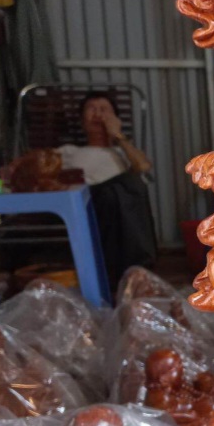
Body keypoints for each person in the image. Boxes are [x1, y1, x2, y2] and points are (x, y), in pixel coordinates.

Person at [59, 90, 157, 289]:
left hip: (118, 209)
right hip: (87, 205)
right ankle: (138, 270)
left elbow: (143, 167)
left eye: (104, 110)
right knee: (118, 190)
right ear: (82, 121)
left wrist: (118, 135)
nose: (98, 115)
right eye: (91, 109)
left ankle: (132, 273)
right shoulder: (69, 152)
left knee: (131, 184)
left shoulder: (123, 152)